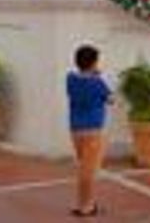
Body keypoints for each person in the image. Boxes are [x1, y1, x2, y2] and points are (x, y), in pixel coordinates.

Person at [66, 44, 111, 218]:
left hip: (75, 129)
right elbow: (111, 98)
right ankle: (86, 206)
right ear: (93, 63)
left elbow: (79, 82)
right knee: (89, 171)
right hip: (93, 130)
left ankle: (82, 203)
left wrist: (93, 74)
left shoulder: (70, 78)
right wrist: (97, 76)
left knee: (83, 168)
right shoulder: (97, 82)